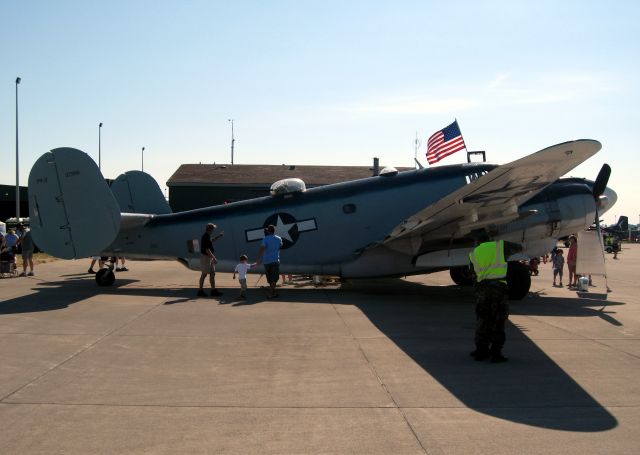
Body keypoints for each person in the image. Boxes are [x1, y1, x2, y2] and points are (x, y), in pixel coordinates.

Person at [469, 239, 522, 363]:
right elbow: (519, 247)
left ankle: (481, 352)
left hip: (482, 290)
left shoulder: (474, 253)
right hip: (499, 289)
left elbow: (473, 273)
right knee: (499, 320)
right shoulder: (500, 246)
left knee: (482, 320)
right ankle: (496, 353)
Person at [256, 224, 283, 298]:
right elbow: (280, 245)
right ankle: (271, 293)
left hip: (266, 261)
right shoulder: (279, 238)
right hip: (275, 260)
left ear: (268, 231)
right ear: (274, 231)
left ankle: (273, 291)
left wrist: (259, 259)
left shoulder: (265, 239)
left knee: (270, 278)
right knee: (274, 278)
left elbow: (262, 248)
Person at [198, 223, 224, 297]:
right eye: (213, 229)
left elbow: (211, 240)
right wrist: (214, 258)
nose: (214, 230)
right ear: (210, 229)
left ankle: (213, 291)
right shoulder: (205, 237)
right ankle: (200, 291)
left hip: (209, 257)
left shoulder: (208, 236)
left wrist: (219, 236)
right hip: (206, 257)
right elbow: (207, 250)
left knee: (212, 273)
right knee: (204, 274)